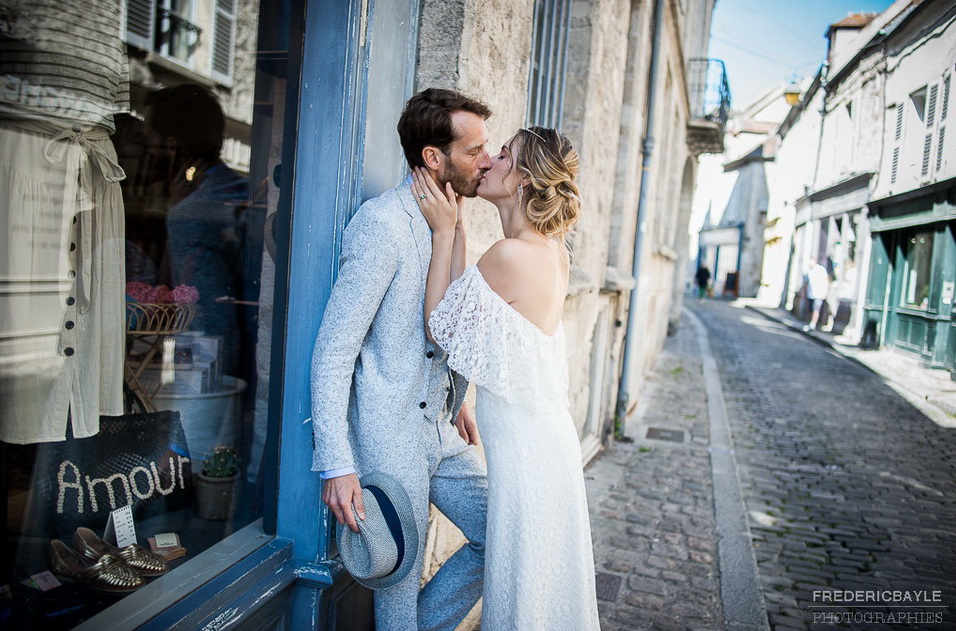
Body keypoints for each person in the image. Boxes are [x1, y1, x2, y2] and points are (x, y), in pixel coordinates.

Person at [310, 88, 491, 631]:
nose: (486, 160)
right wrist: (338, 462)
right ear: (433, 158)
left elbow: (452, 319)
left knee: (506, 534)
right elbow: (334, 349)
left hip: (441, 428)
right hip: (388, 440)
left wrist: (458, 394)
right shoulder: (382, 224)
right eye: (474, 150)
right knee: (396, 596)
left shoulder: (454, 216)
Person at [412, 127, 601, 630]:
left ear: (523, 181)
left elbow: (441, 325)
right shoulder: (547, 251)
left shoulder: (512, 256)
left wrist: (444, 233)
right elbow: (482, 328)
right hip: (546, 446)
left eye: (504, 155)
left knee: (520, 591)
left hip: (525, 456)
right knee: (533, 588)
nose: (490, 160)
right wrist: (460, 232)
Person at [803, 257, 830, 332]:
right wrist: (803, 293)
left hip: (819, 294)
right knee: (811, 309)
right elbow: (806, 283)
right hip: (810, 293)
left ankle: (813, 324)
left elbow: (825, 280)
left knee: (816, 309)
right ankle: (810, 323)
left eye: (810, 261)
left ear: (814, 261)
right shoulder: (808, 271)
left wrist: (825, 291)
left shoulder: (821, 269)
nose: (809, 263)